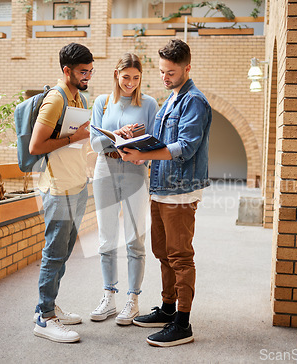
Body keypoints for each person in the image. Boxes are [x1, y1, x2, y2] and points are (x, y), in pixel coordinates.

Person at [119, 39, 212, 347]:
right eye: (161, 72)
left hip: (180, 192)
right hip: (160, 188)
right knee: (163, 253)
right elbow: (161, 142)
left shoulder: (194, 101)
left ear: (187, 68)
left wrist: (143, 155)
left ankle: (182, 324)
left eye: (171, 72)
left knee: (180, 257)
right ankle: (168, 308)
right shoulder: (171, 98)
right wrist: (137, 142)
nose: (165, 77)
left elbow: (184, 148)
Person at [29, 43, 94, 343]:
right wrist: (74, 136)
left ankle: (48, 305)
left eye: (90, 72)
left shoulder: (78, 96)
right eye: (83, 72)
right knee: (54, 254)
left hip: (77, 185)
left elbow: (79, 140)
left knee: (64, 252)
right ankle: (44, 319)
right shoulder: (55, 99)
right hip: (58, 190)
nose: (87, 77)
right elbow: (36, 146)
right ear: (66, 70)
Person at [90, 53, 158, 325]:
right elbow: (95, 143)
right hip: (104, 169)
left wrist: (139, 149)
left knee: (134, 238)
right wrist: (119, 136)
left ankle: (133, 299)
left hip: (135, 171)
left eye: (136, 78)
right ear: (117, 75)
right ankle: (109, 296)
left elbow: (155, 143)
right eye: (126, 76)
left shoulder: (150, 104)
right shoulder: (102, 102)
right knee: (106, 238)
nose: (130, 82)